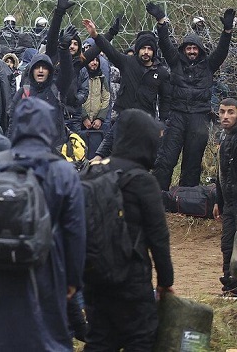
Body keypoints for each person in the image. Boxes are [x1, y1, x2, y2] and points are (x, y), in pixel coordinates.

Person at [0, 97, 85, 351]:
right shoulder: (63, 172)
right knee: (45, 335)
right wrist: (73, 279)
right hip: (45, 265)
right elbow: (75, 231)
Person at [83, 108, 174, 350]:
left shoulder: (91, 173)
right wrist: (166, 280)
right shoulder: (143, 181)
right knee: (140, 338)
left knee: (99, 339)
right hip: (131, 278)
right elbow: (158, 237)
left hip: (94, 276)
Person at [150, 5, 234, 190]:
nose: (191, 52)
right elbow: (165, 43)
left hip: (199, 117)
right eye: (188, 48)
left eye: (195, 48)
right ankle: (159, 197)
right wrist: (161, 21)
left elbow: (221, 51)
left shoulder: (209, 65)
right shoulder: (175, 62)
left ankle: (186, 199)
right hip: (177, 116)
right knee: (166, 158)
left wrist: (227, 31)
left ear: (200, 50)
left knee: (193, 161)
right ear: (183, 50)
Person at [82, 19, 171, 159]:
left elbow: (166, 100)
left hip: (145, 123)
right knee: (111, 155)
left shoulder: (161, 72)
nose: (146, 52)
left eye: (149, 49)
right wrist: (95, 35)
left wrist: (163, 125)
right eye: (143, 48)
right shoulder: (127, 63)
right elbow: (109, 50)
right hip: (124, 119)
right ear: (138, 49)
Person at [215, 98, 237, 294]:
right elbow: (220, 172)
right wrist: (218, 201)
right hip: (229, 202)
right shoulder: (223, 136)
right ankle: (229, 283)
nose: (225, 117)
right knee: (227, 244)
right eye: (222, 112)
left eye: (231, 112)